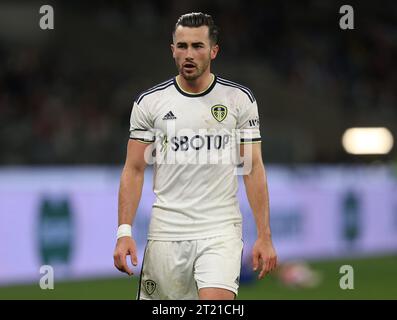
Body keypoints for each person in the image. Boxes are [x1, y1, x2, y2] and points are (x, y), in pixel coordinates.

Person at [113, 12, 277, 300]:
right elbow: (134, 169)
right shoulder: (149, 103)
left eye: (197, 46)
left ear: (213, 50)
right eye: (182, 46)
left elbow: (252, 169)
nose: (189, 54)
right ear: (172, 49)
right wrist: (123, 231)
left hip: (220, 230)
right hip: (166, 233)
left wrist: (264, 235)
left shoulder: (238, 100)